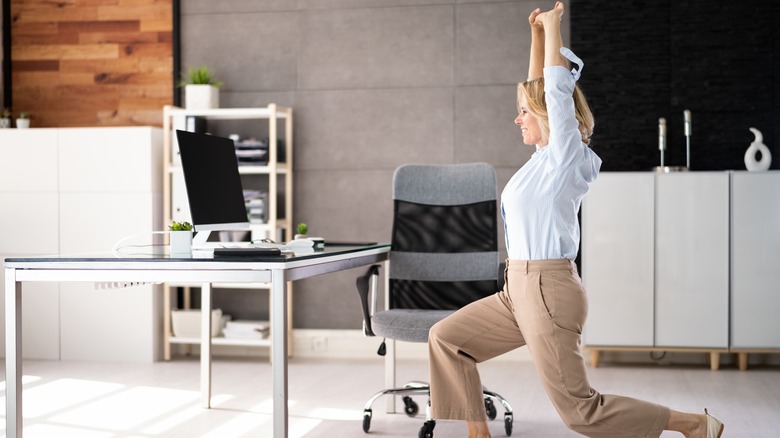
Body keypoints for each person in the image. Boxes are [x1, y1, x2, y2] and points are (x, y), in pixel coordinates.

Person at [426, 3, 725, 438]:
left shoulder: (566, 159)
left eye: (524, 113)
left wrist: (553, 29)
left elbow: (554, 94)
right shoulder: (542, 160)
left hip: (548, 292)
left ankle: (693, 424)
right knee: (447, 338)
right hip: (517, 290)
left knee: (579, 412)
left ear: (548, 116)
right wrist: (535, 38)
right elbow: (537, 91)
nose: (517, 118)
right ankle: (478, 433)